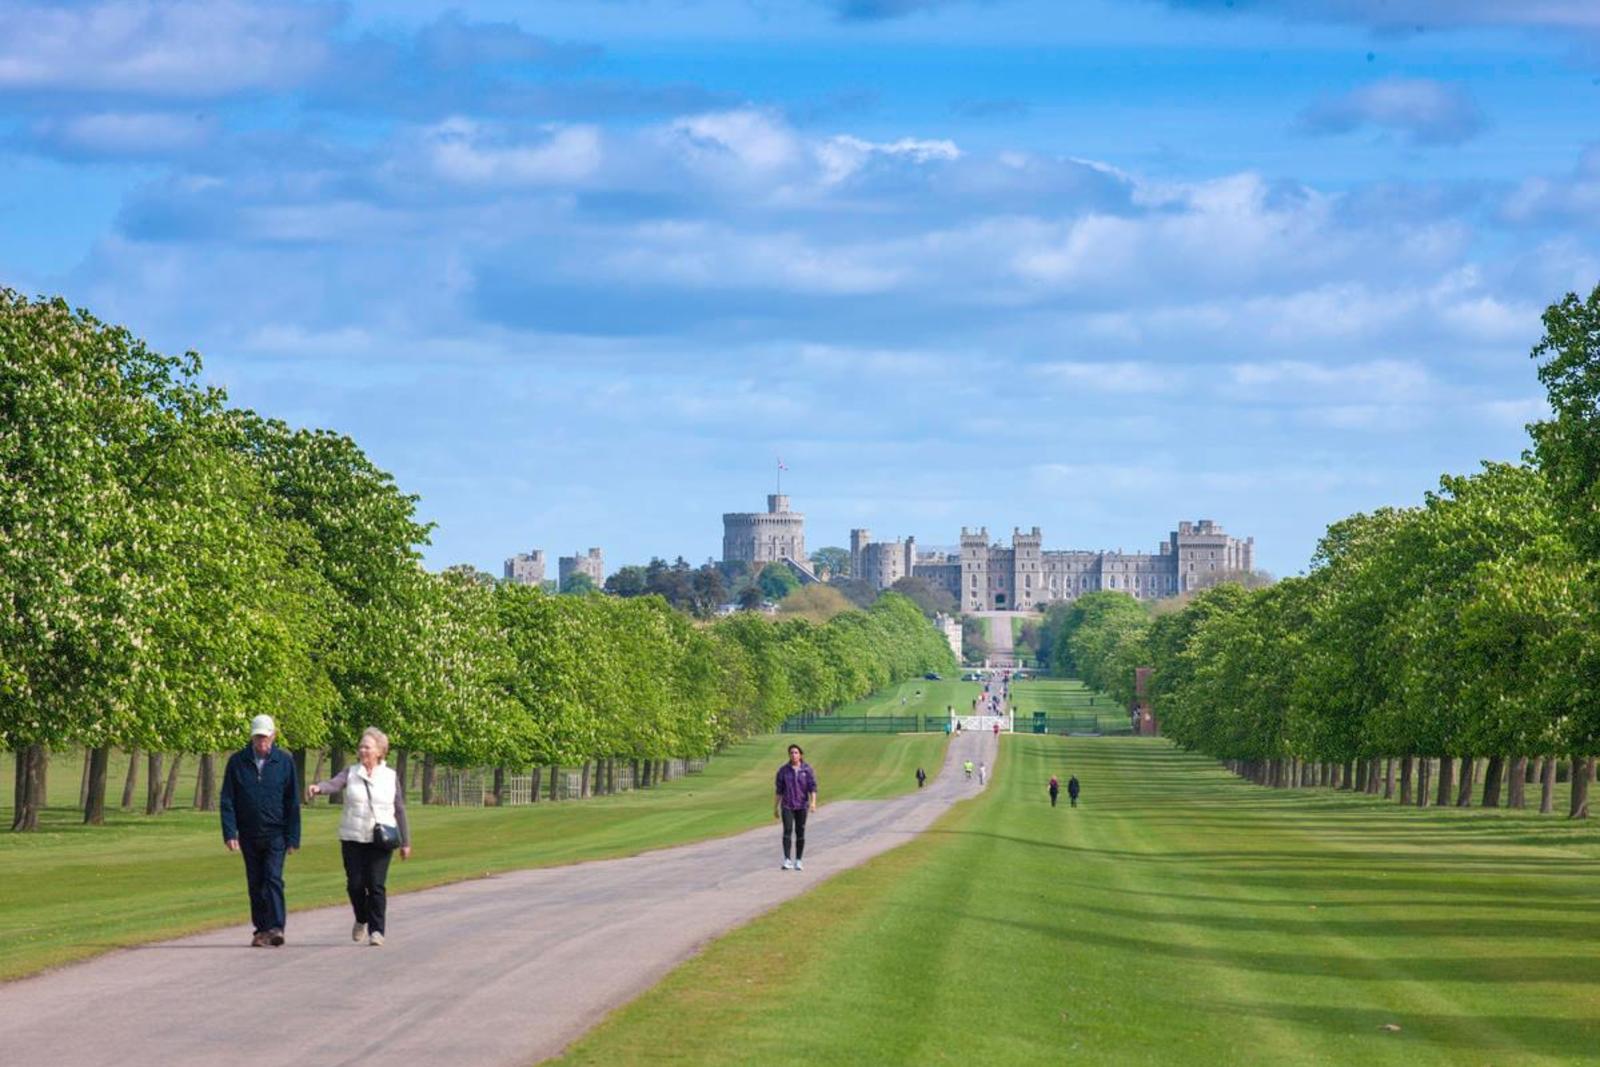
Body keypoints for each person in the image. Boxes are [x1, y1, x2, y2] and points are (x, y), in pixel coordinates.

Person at [307, 726, 412, 946]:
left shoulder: (390, 776)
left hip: (381, 838)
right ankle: (361, 918)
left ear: (379, 751)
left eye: (367, 747)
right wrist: (319, 788)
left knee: (376, 884)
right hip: (352, 836)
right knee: (355, 885)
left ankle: (377, 931)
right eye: (361, 747)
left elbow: (399, 809)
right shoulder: (351, 772)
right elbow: (334, 783)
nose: (362, 750)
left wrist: (406, 842)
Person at [219, 714, 301, 948]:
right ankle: (262, 929)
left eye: (265, 737)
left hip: (276, 832)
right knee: (255, 882)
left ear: (273, 736)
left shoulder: (284, 762)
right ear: (252, 737)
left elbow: (292, 801)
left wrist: (293, 836)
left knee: (273, 877)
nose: (261, 741)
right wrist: (230, 832)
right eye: (258, 737)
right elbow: (227, 799)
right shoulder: (237, 762)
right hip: (249, 832)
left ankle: (276, 927)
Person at [774, 743, 818, 871]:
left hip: (802, 805)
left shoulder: (807, 770)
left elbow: (812, 788)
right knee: (787, 830)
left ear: (800, 755)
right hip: (787, 805)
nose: (794, 755)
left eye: (796, 753)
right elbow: (779, 791)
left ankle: (798, 860)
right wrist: (775, 807)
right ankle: (787, 860)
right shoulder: (783, 771)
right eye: (791, 753)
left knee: (800, 832)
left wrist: (813, 803)